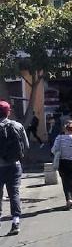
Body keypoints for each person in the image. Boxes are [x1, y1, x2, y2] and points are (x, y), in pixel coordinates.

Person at [0, 100, 28, 235]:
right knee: (14, 194)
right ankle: (15, 222)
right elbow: (26, 146)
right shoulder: (17, 125)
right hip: (14, 165)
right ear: (8, 112)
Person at [52, 121, 72, 209]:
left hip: (62, 162)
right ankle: (71, 199)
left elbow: (54, 150)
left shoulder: (59, 138)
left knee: (65, 181)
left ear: (65, 129)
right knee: (70, 180)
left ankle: (68, 199)